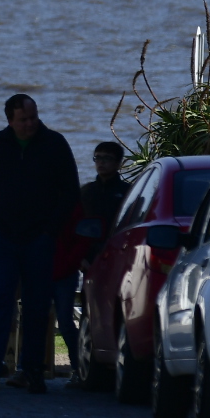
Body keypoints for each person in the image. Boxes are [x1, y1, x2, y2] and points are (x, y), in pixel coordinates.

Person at [0, 94, 80, 394]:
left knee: (37, 306)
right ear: (10, 121)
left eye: (33, 117)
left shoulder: (54, 144)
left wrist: (50, 229)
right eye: (23, 119)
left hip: (39, 239)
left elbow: (70, 192)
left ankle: (32, 371)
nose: (30, 124)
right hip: (2, 237)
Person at [51, 142, 130, 387]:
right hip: (89, 261)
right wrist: (81, 259)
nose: (102, 162)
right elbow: (75, 230)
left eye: (108, 158)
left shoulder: (127, 192)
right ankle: (85, 371)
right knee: (89, 315)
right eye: (98, 157)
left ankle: (118, 370)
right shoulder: (86, 193)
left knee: (119, 313)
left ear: (119, 163)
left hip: (119, 260)